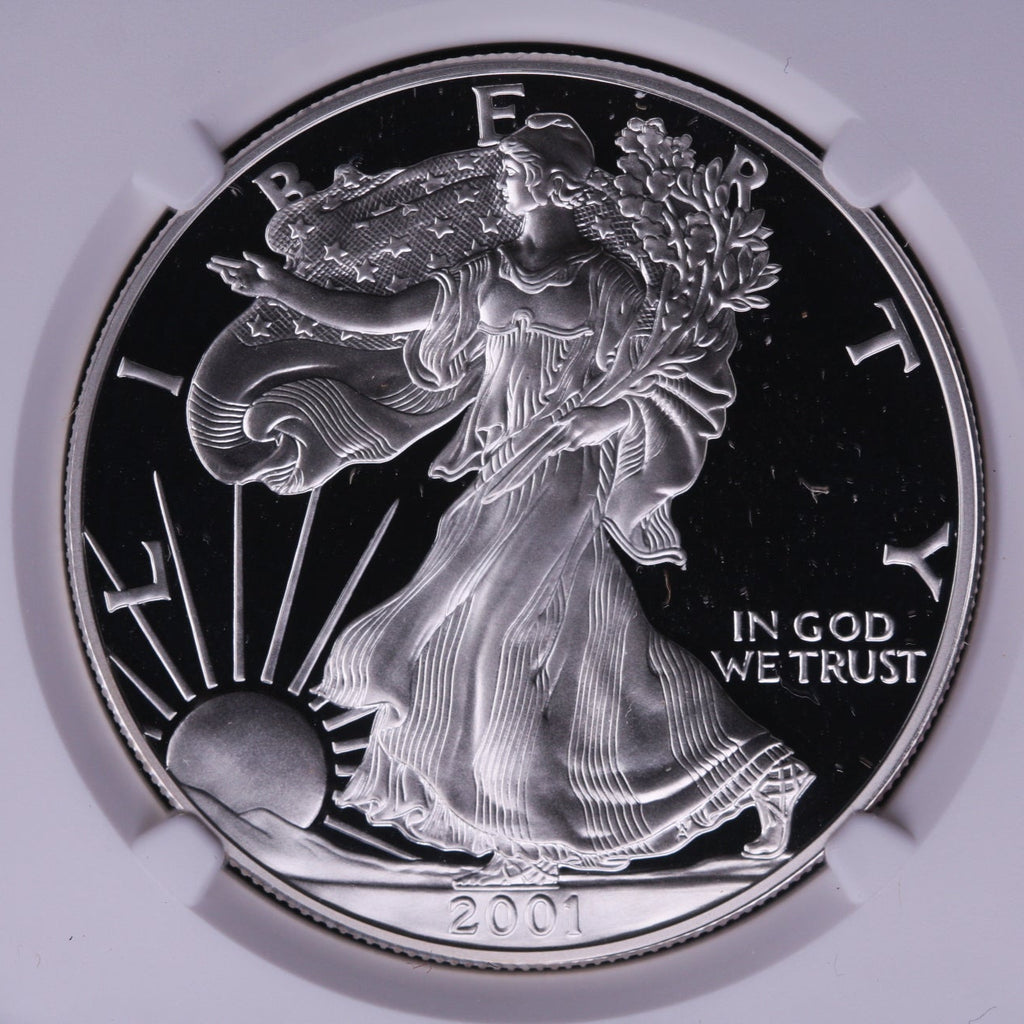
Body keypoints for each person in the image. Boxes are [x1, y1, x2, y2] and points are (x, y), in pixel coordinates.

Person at [207, 113, 812, 886]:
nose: (506, 184)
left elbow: (672, 378)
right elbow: (384, 317)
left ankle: (527, 836)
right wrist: (280, 287)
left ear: (554, 184)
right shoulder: (489, 271)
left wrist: (607, 415)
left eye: (518, 171)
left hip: (565, 476)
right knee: (594, 656)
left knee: (492, 636)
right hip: (500, 475)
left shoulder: (608, 281)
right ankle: (763, 773)